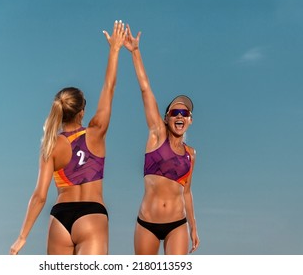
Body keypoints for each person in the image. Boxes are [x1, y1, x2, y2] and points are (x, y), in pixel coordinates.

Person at [10, 20, 127, 255]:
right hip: (91, 216)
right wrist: (114, 50)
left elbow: (39, 196)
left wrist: (21, 238)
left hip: (59, 220)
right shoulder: (96, 131)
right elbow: (109, 87)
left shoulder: (50, 145)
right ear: (82, 110)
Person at [123, 25, 200, 255]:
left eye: (184, 113)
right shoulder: (157, 135)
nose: (179, 116)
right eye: (175, 113)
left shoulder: (191, 154)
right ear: (166, 118)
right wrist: (135, 52)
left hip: (178, 224)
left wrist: (194, 228)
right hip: (147, 223)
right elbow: (146, 90)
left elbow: (187, 192)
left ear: (190, 121)